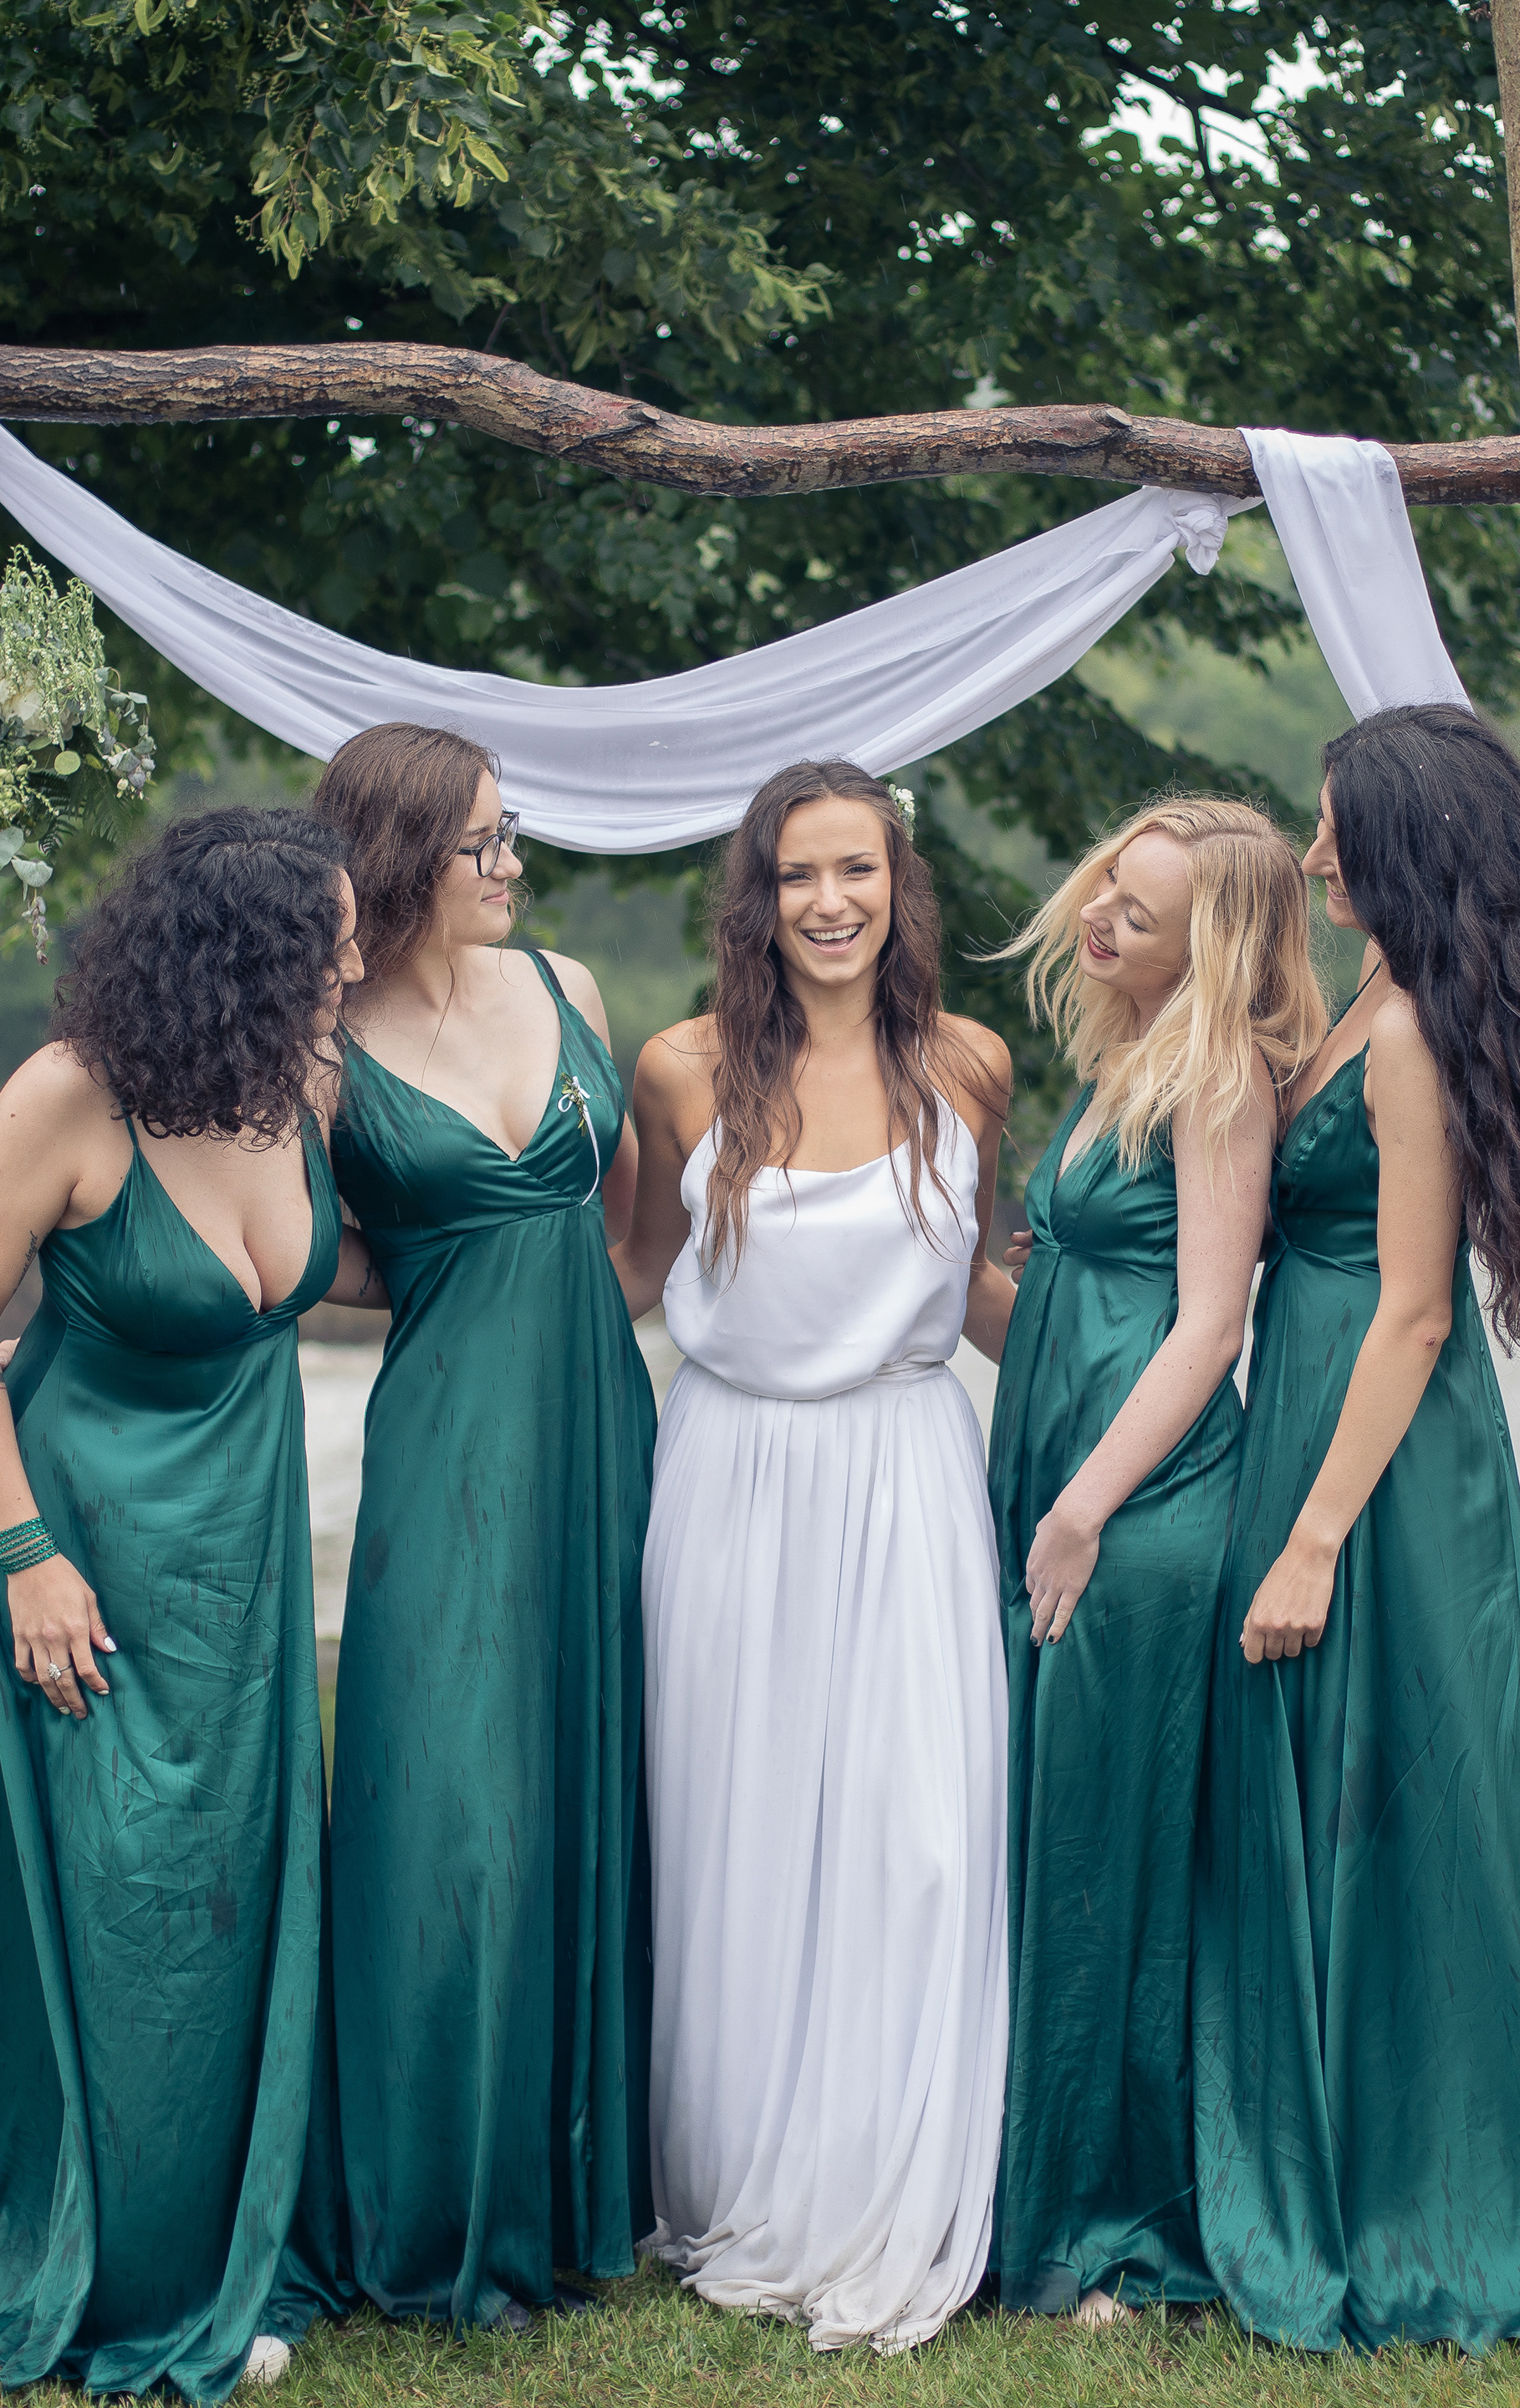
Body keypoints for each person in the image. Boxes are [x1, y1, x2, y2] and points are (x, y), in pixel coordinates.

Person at [0, 808, 377, 2402]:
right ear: (247, 953)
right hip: (72, 1547)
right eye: (332, 942)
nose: (355, 967)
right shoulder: (68, 1094)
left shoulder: (300, 1088)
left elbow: (359, 1264)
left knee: (231, 1888)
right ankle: (115, 2263)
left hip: (235, 1565)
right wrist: (25, 1552)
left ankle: (231, 2233)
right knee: (116, 1906)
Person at [612, 759, 1016, 2352]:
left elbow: (979, 1288)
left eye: (858, 870)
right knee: (744, 1824)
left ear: (900, 888)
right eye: (798, 875)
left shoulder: (970, 1064)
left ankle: (885, 2175)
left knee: (919, 1833)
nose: (831, 902)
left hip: (912, 1471)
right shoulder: (681, 1070)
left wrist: (1161, 1350)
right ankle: (738, 2164)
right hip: (730, 1477)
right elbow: (632, 1272)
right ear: (758, 899)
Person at [312, 722, 655, 2331]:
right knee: (452, 1791)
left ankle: (575, 2185)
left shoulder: (571, 989)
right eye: (485, 844)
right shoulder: (326, 1039)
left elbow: (623, 1222)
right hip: (445, 1435)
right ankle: (435, 2194)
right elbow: (295, 1241)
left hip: (599, 1426)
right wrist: (435, 1271)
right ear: (401, 861)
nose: (514, 865)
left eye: (513, 836)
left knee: (588, 1772)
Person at [1194, 706, 1520, 2353]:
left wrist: (1317, 1537)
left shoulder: (1405, 1040)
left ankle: (1425, 2189)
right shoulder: (1373, 1001)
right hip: (1311, 1427)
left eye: (1331, 825)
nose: (1313, 851)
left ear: (1398, 837)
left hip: (1380, 1464)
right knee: (1329, 1788)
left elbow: (1414, 1311)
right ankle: (1326, 2137)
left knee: (1410, 1803)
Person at [986, 795, 1325, 2320]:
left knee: (1106, 1859)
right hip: (1071, 1465)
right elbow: (1071, 1291)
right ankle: (1033, 2182)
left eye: (1144, 909)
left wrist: (1084, 1508)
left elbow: (1205, 1325)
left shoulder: (1217, 1076)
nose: (1103, 918)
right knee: (1061, 1833)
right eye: (1107, 886)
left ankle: (1110, 2218)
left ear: (1216, 943)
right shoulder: (1124, 1052)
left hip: (1142, 1501)